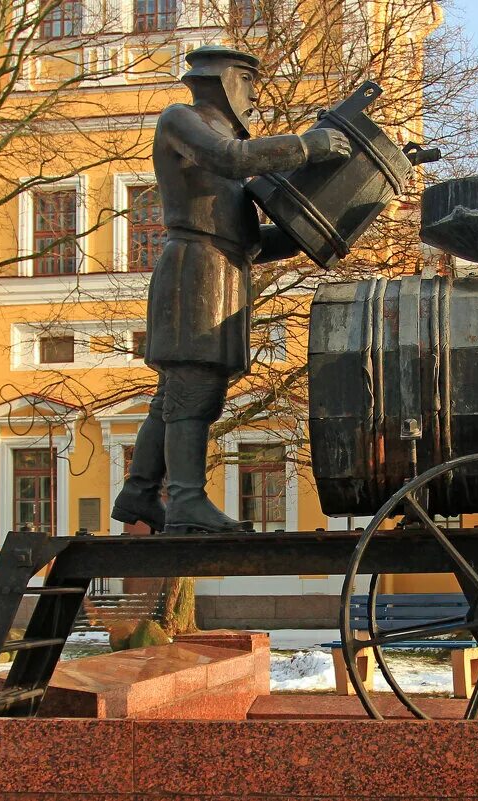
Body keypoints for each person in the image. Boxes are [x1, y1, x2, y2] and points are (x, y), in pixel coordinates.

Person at [112, 45, 350, 534]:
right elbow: (231, 157)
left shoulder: (229, 167)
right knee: (194, 390)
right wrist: (310, 145)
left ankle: (139, 492)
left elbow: (253, 241)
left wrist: (328, 229)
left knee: (175, 396)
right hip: (195, 269)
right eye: (250, 85)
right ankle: (184, 500)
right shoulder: (182, 121)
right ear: (226, 82)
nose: (254, 99)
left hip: (221, 268)